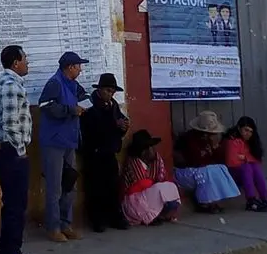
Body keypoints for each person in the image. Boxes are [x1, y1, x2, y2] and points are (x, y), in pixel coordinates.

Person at [0, 45, 38, 254]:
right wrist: (20, 151)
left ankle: (13, 251)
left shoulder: (11, 83)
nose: (28, 62)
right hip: (10, 153)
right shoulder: (10, 86)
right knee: (14, 207)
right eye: (25, 58)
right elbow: (10, 124)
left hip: (7, 152)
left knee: (16, 206)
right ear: (16, 63)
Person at [38, 51, 90, 242]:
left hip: (70, 140)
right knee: (55, 187)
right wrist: (70, 110)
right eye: (78, 66)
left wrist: (87, 101)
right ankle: (53, 227)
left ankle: (66, 224)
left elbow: (85, 96)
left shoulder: (73, 84)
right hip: (53, 142)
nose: (80, 70)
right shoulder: (55, 83)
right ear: (69, 67)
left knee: (69, 184)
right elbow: (44, 105)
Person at [79, 73, 130, 233]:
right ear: (100, 89)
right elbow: (90, 128)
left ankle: (114, 217)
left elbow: (119, 124)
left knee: (112, 186)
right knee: (95, 188)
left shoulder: (113, 105)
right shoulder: (89, 104)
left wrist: (123, 127)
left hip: (109, 152)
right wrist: (114, 124)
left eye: (113, 91)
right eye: (108, 90)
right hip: (93, 153)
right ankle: (97, 220)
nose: (110, 94)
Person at [172, 111, 242, 213]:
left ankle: (213, 201)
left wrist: (215, 148)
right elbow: (196, 161)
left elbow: (218, 161)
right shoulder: (189, 139)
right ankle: (204, 203)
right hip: (184, 172)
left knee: (220, 168)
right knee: (207, 171)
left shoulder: (210, 140)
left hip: (200, 169)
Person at [121, 130, 181, 226]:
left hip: (150, 196)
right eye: (150, 147)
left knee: (171, 186)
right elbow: (142, 185)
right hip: (134, 202)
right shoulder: (133, 162)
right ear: (143, 152)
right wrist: (156, 185)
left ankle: (161, 214)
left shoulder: (156, 159)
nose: (153, 150)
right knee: (157, 188)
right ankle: (150, 216)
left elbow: (163, 178)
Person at [225, 117, 267, 212]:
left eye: (250, 131)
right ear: (239, 128)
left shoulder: (251, 142)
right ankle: (251, 200)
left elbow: (257, 160)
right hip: (233, 172)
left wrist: (244, 157)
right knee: (247, 166)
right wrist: (247, 159)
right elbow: (231, 161)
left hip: (247, 172)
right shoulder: (232, 140)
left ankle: (265, 197)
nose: (248, 133)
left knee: (255, 167)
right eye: (246, 130)